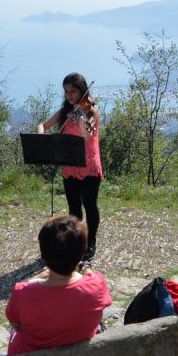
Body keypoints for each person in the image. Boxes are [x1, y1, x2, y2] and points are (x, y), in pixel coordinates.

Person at [6, 215, 112, 356]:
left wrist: (34, 279)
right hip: (79, 355)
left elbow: (15, 324)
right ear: (82, 253)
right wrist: (85, 268)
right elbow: (102, 298)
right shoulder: (96, 283)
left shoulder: (22, 291)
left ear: (43, 254)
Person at [36, 72, 104, 259]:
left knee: (90, 205)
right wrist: (41, 138)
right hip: (70, 165)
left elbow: (88, 135)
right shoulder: (66, 111)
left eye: (73, 91)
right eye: (66, 91)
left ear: (82, 90)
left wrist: (84, 124)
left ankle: (91, 243)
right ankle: (76, 242)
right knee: (73, 207)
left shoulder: (91, 109)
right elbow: (43, 124)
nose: (69, 95)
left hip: (89, 164)